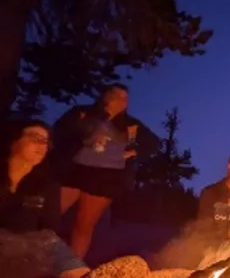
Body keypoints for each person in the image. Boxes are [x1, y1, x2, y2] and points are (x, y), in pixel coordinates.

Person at [52, 84, 159, 259]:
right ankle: (34, 254)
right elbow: (59, 130)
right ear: (106, 96)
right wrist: (78, 140)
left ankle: (72, 265)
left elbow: (154, 144)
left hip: (106, 177)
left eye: (125, 98)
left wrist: (133, 152)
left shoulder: (130, 125)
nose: (123, 101)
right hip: (75, 171)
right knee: (51, 214)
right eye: (118, 96)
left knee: (84, 225)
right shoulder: (83, 113)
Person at [0, 119, 89, 278]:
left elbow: (50, 227)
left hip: (30, 246)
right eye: (34, 137)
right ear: (14, 141)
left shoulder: (46, 185)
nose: (41, 145)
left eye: (45, 141)